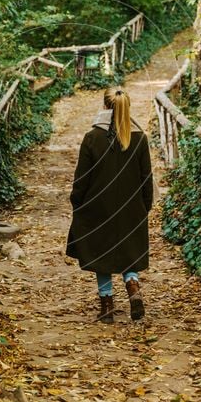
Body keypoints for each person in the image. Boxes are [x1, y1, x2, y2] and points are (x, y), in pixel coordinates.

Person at [66, 85, 153, 324]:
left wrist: (77, 202)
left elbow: (82, 178)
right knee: (127, 249)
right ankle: (132, 285)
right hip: (131, 207)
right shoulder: (140, 138)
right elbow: (147, 178)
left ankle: (106, 305)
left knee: (100, 251)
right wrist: (145, 206)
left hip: (98, 207)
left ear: (105, 106)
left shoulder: (92, 138)